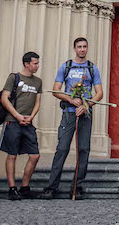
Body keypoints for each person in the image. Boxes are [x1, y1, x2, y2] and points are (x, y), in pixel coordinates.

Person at [44, 36, 104, 200]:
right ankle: (51, 187)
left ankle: (77, 187)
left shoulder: (92, 69)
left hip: (85, 114)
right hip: (69, 113)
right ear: (74, 48)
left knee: (83, 150)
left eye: (85, 46)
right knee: (62, 149)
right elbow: (56, 90)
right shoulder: (66, 67)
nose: (82, 49)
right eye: (79, 46)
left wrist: (86, 106)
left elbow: (99, 93)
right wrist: (70, 99)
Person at [0, 51, 43, 200]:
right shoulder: (14, 77)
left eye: (38, 63)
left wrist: (31, 117)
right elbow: (4, 98)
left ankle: (25, 186)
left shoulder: (38, 81)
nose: (37, 66)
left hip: (28, 122)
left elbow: (38, 102)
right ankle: (12, 188)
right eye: (35, 63)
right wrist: (17, 116)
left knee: (35, 155)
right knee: (12, 155)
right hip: (12, 121)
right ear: (26, 64)